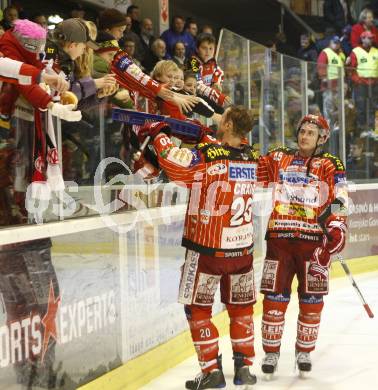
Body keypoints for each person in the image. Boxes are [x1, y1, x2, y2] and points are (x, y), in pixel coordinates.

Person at [137, 105, 259, 389]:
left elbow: (174, 162)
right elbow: (222, 159)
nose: (218, 120)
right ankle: (244, 368)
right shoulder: (251, 156)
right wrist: (204, 138)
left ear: (228, 124)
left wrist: (158, 134)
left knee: (198, 309)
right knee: (241, 308)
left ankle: (212, 371)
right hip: (242, 251)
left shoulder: (208, 155)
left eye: (222, 117)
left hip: (206, 250)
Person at [258, 114, 347, 378]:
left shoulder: (330, 164)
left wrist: (337, 223)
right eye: (302, 131)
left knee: (311, 301)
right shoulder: (278, 157)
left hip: (314, 246)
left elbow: (341, 194)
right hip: (279, 243)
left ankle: (304, 351)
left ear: (322, 138)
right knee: (274, 300)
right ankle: (271, 353)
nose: (304, 135)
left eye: (311, 132)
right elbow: (250, 168)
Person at [187, 33, 231, 110]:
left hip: (207, 96)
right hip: (193, 97)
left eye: (211, 48)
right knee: (220, 110)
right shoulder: (193, 62)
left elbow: (219, 72)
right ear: (197, 49)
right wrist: (217, 96)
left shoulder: (212, 61)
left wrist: (216, 82)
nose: (208, 51)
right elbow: (198, 85)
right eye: (204, 48)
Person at [346, 30, 378, 133]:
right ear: (362, 39)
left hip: (374, 83)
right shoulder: (356, 51)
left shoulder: (376, 51)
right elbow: (351, 69)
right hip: (361, 84)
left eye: (371, 38)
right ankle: (361, 129)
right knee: (361, 106)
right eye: (368, 38)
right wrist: (357, 80)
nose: (370, 40)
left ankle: (371, 129)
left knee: (372, 106)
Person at [317, 36, 346, 129]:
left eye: (338, 43)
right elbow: (321, 65)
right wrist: (323, 77)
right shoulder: (325, 52)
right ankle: (327, 128)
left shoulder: (341, 54)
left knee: (338, 107)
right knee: (328, 107)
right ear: (330, 43)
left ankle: (336, 126)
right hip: (328, 85)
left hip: (339, 85)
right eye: (334, 42)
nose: (336, 44)